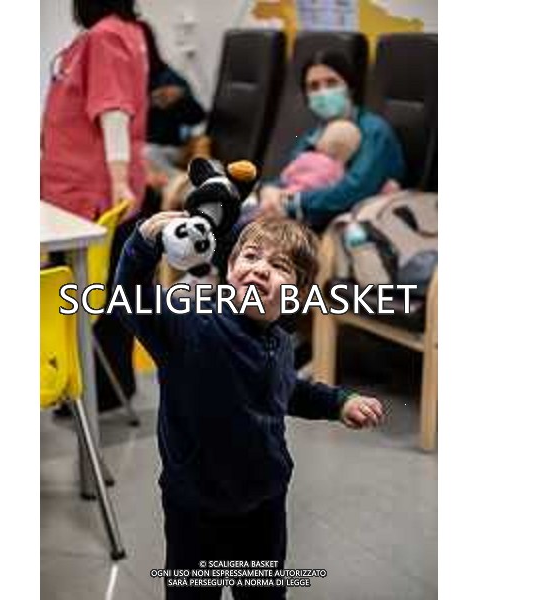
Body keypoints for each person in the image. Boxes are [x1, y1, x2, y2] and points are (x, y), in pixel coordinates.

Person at [113, 213, 384, 599]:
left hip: (264, 501)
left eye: (279, 266)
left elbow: (286, 391)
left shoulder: (280, 340)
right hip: (196, 506)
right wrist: (143, 243)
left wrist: (340, 402)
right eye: (251, 256)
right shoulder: (190, 327)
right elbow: (130, 297)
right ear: (230, 267)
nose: (260, 268)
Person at [41, 0, 149, 411]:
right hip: (79, 189)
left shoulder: (105, 37)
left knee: (87, 292)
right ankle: (103, 388)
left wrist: (118, 181)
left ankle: (92, 391)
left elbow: (114, 111)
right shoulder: (120, 33)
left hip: (88, 194)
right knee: (105, 292)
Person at [258, 50, 406, 232]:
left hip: (353, 228)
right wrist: (269, 190)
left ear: (350, 87)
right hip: (302, 219)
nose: (323, 92)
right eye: (314, 86)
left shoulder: (375, 130)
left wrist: (293, 200)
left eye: (331, 83)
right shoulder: (314, 132)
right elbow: (292, 173)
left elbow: (354, 190)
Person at [138, 20, 207, 181]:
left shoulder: (168, 79)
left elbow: (198, 116)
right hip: (136, 149)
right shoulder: (123, 80)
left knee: (145, 153)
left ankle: (184, 186)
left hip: (164, 149)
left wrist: (180, 100)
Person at [280, 118, 362, 194]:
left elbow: (286, 174)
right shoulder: (340, 171)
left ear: (323, 139)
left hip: (292, 191)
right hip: (315, 199)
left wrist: (285, 179)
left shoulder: (308, 157)